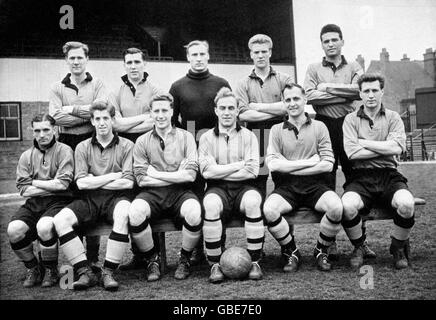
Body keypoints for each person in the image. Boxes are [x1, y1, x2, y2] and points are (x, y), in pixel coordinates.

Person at [303, 24, 374, 260]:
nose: (330, 44)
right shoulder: (313, 68)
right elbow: (309, 96)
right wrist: (342, 92)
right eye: (326, 41)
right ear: (321, 44)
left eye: (334, 39)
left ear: (342, 41)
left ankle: (360, 242)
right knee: (326, 180)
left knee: (356, 179)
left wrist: (327, 88)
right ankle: (329, 241)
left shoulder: (354, 66)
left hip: (350, 123)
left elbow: (358, 92)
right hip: (323, 125)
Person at [53, 102, 135, 291]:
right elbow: (81, 183)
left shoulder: (127, 145)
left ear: (113, 120)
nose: (102, 122)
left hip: (117, 198)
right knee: (60, 220)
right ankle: (85, 272)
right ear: (91, 121)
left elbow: (128, 182)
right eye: (97, 119)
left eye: (106, 118)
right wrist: (115, 175)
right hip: (89, 199)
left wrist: (95, 179)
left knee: (124, 212)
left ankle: (108, 272)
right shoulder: (82, 147)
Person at [263, 83, 343, 272]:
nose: (292, 103)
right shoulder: (275, 130)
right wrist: (310, 162)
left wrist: (288, 166)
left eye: (296, 98)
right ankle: (291, 251)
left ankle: (320, 250)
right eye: (288, 99)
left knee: (336, 208)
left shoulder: (320, 126)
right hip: (286, 188)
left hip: (316, 186)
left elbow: (328, 164)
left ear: (305, 100)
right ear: (283, 102)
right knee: (269, 210)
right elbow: (273, 165)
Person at [341, 73, 416, 270]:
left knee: (407, 204)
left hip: (388, 174)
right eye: (366, 91)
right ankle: (358, 246)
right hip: (360, 176)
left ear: (382, 92)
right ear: (360, 94)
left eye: (375, 90)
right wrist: (384, 146)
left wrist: (363, 142)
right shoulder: (350, 119)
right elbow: (352, 153)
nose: (371, 95)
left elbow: (397, 148)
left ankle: (398, 247)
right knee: (347, 206)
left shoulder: (393, 117)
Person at [169, 40, 231, 265]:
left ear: (208, 56)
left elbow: (229, 115)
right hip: (191, 149)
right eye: (193, 54)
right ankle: (194, 249)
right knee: (194, 197)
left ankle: (218, 243)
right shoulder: (177, 87)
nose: (198, 58)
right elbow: (172, 121)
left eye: (202, 54)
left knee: (216, 195)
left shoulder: (221, 83)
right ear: (188, 57)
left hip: (216, 146)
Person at [128, 93, 202, 281]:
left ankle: (184, 259)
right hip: (151, 193)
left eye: (164, 110)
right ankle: (152, 259)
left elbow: (191, 176)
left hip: (180, 193)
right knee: (135, 213)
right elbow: (142, 180)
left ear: (171, 112)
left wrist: (156, 173)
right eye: (156, 111)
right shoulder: (142, 141)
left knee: (194, 212)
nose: (160, 115)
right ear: (151, 114)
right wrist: (176, 175)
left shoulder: (186, 137)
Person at [49, 41, 108, 267]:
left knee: (91, 196)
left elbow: (101, 110)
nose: (76, 62)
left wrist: (70, 109)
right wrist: (88, 113)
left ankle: (92, 259)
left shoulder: (98, 83)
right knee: (72, 198)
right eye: (71, 58)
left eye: (79, 58)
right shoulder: (57, 87)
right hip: (66, 143)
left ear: (86, 59)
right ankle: (78, 258)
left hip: (91, 141)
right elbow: (56, 118)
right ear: (66, 60)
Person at [199, 87, 264, 283]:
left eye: (231, 108)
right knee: (210, 204)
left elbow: (252, 171)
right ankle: (215, 265)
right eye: (222, 108)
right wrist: (238, 165)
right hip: (217, 189)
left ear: (237, 111)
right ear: (216, 110)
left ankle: (254, 261)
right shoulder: (205, 137)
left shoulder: (250, 136)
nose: (226, 112)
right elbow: (207, 172)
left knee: (254, 201)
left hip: (244, 187)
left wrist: (220, 169)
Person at [109, 47, 165, 271]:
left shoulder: (155, 89)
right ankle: (138, 254)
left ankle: (156, 253)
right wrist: (143, 118)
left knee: (150, 197)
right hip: (125, 150)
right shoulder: (117, 91)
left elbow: (157, 120)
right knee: (131, 200)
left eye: (136, 62)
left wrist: (128, 121)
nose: (133, 66)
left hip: (151, 148)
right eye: (129, 62)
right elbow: (116, 124)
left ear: (144, 64)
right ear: (124, 65)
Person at [7, 114, 74, 288]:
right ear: (33, 132)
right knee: (14, 230)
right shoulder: (26, 156)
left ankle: (50, 269)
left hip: (59, 201)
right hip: (34, 202)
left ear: (55, 130)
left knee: (44, 226)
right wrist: (50, 184)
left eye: (46, 129)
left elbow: (63, 185)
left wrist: (34, 182)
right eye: (37, 130)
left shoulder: (65, 150)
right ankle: (34, 268)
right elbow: (23, 189)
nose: (42, 134)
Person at [235, 34, 294, 199]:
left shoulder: (284, 79)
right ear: (251, 54)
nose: (260, 55)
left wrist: (259, 106)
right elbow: (244, 114)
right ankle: (258, 218)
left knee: (284, 179)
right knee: (258, 180)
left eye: (264, 51)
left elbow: (289, 107)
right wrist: (276, 109)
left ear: (270, 52)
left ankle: (282, 223)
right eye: (256, 52)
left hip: (281, 134)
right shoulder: (242, 83)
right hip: (256, 136)